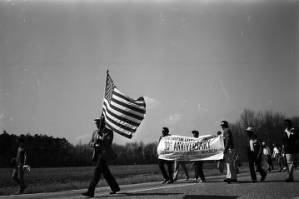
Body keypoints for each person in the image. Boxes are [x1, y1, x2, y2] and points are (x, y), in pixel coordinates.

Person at [82, 116, 120, 198]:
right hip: (97, 154)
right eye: (96, 123)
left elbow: (108, 143)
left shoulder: (109, 132)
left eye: (98, 123)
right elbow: (90, 143)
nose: (96, 125)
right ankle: (115, 187)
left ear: (102, 123)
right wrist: (94, 144)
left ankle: (90, 191)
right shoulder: (95, 132)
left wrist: (101, 138)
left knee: (97, 172)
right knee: (106, 173)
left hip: (105, 155)